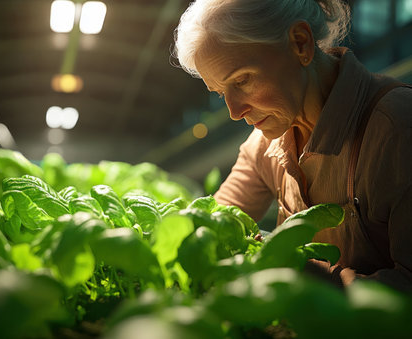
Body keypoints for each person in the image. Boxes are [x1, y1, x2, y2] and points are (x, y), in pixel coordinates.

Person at [173, 0, 412, 292]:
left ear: (301, 44)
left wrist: (301, 273)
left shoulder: (397, 128)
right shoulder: (263, 146)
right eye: (221, 92)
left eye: (242, 80)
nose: (234, 111)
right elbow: (217, 223)